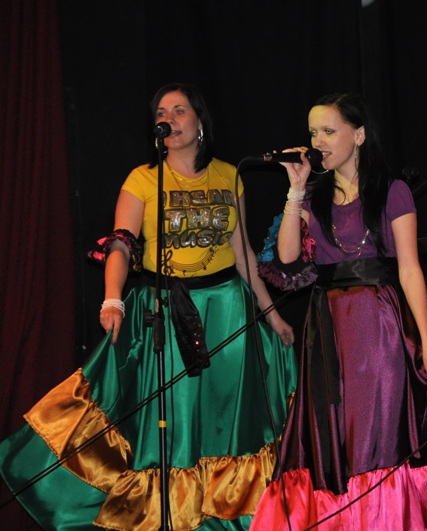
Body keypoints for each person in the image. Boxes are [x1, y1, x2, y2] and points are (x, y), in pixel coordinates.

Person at [0, 83, 298, 530]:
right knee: (176, 419)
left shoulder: (228, 175)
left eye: (179, 111)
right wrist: (113, 299)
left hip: (227, 310)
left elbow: (243, 254)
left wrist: (271, 314)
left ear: (200, 122)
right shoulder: (142, 179)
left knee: (225, 417)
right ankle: (173, 513)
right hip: (170, 310)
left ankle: (227, 510)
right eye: (162, 113)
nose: (169, 119)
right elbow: (121, 244)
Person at [251, 92, 427, 530]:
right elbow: (288, 257)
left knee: (380, 430)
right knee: (337, 432)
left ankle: (386, 518)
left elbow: (409, 270)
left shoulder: (392, 191)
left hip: (380, 325)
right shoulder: (313, 195)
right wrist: (294, 189)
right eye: (313, 132)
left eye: (329, 131)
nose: (318, 141)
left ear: (359, 135)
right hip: (328, 329)